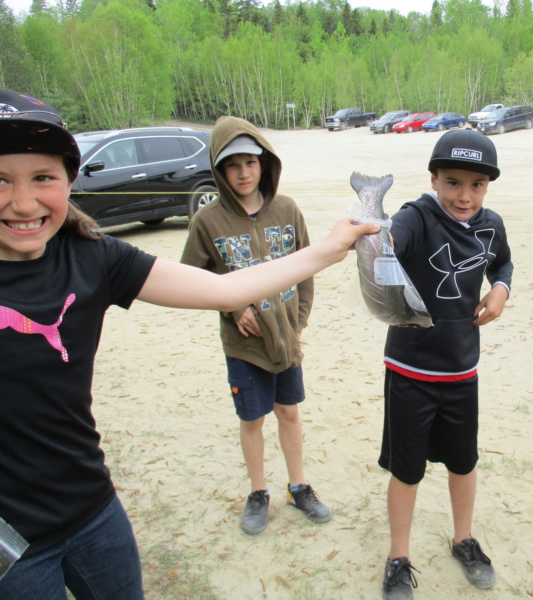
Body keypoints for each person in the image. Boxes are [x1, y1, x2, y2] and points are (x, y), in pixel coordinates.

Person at [0, 89, 377, 599]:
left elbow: (224, 287)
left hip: (92, 509)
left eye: (42, 177)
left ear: (69, 179)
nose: (23, 202)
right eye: (1, 179)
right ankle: (259, 492)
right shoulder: (205, 220)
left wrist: (331, 248)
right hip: (12, 541)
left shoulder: (92, 256)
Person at [378, 128, 513, 599]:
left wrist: (500, 289)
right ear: (433, 179)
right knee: (407, 470)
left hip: (462, 372)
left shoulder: (491, 225)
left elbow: (503, 264)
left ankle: (464, 539)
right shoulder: (416, 216)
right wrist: (376, 235)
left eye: (477, 184)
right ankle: (398, 557)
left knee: (463, 462)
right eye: (453, 181)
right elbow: (389, 242)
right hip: (410, 372)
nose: (464, 195)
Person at [181, 116, 330, 535]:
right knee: (252, 420)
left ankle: (298, 487)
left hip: (286, 338)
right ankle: (258, 493)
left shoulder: (287, 210)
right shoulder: (207, 222)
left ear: (264, 163)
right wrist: (233, 307)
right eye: (232, 165)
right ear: (219, 170)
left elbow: (306, 270)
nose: (243, 173)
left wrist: (298, 323)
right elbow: (191, 279)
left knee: (289, 412)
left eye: (250, 162)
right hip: (244, 346)